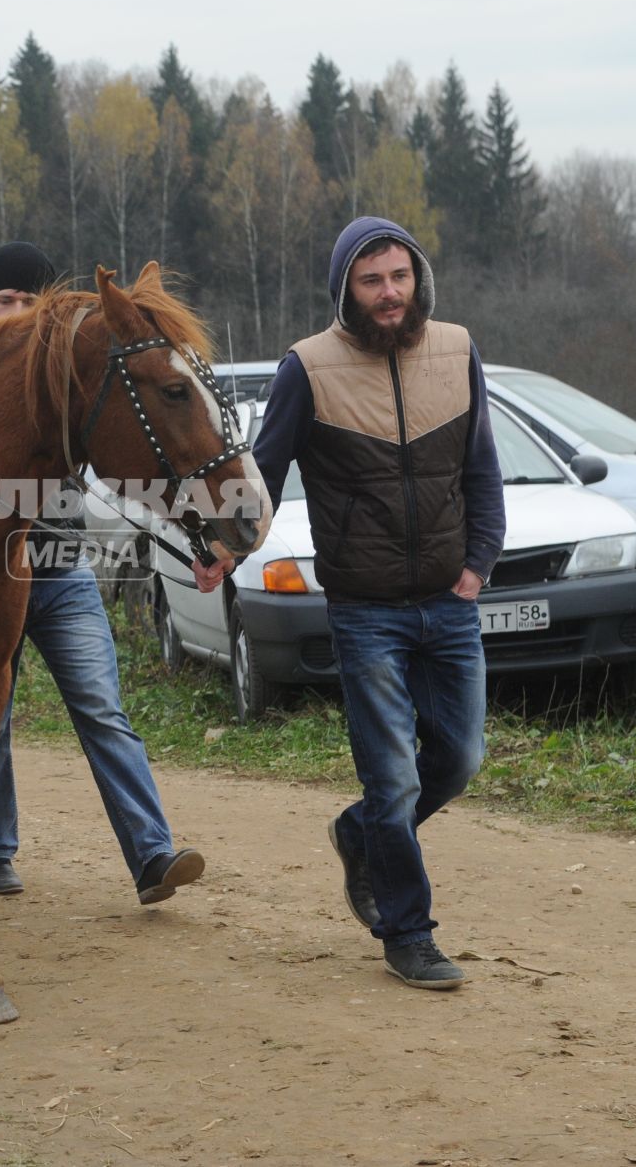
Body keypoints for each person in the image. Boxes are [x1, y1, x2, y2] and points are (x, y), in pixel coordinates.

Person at [202, 215, 504, 991]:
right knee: (395, 779)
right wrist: (224, 548)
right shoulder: (307, 368)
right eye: (372, 281)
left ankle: (359, 834)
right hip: (364, 609)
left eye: (399, 276)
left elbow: (480, 468)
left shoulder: (457, 348)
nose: (389, 292)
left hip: (448, 600)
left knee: (460, 759)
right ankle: (409, 933)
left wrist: (479, 562)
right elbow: (261, 476)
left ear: (417, 277)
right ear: (347, 289)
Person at [0, 243, 209, 907]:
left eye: (31, 301)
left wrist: (195, 532)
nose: (18, 311)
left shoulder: (72, 379)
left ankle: (152, 855)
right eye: (6, 300)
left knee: (102, 709)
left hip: (60, 572)